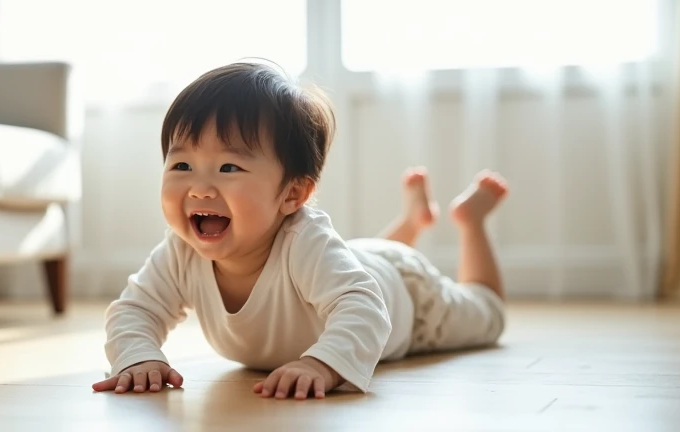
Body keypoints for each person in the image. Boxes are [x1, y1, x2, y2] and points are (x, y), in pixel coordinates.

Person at [92, 62, 508, 400]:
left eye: (228, 167)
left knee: (487, 314)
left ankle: (469, 221)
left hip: (411, 298)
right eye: (181, 165)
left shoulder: (304, 241)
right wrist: (137, 357)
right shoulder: (180, 250)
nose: (199, 187)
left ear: (292, 194)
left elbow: (362, 308)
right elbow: (135, 310)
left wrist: (322, 363)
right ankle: (413, 222)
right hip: (360, 260)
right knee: (361, 259)